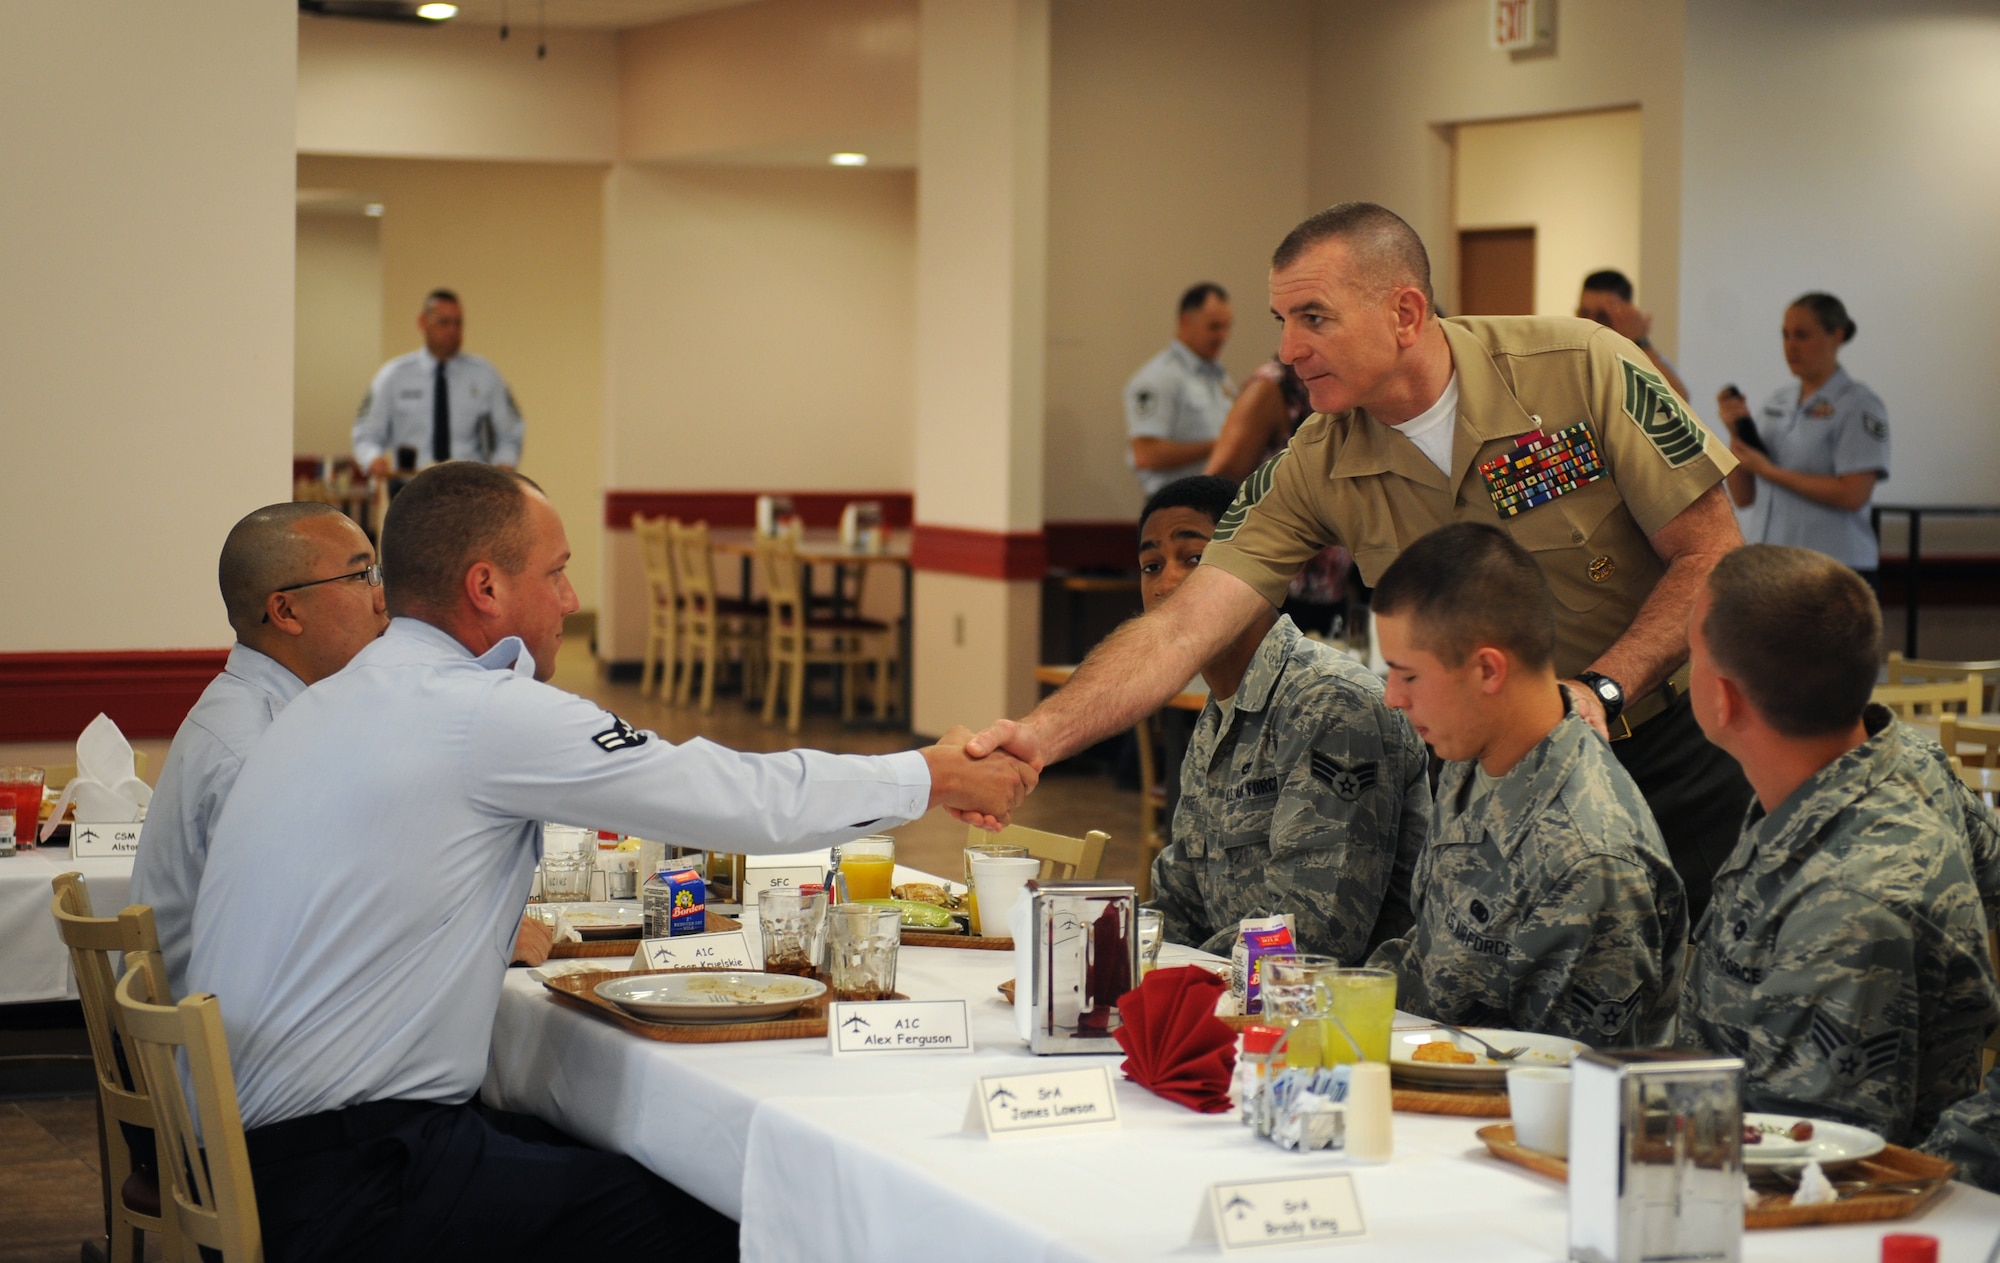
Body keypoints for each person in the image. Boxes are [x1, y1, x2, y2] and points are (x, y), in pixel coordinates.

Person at [185, 463, 1035, 1263]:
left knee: (599, 1146)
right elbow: (733, 795)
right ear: (485, 586)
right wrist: (930, 773)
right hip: (355, 1179)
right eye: (555, 572)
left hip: (256, 1156)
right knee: (742, 1215)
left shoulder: (322, 702)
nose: (573, 598)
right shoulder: (478, 712)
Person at [969, 202, 1752, 925]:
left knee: (1691, 1022)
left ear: (1405, 312)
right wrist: (1040, 734)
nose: (1285, 350)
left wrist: (1601, 691)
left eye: (1314, 318)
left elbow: (1711, 554)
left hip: (1663, 747)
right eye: (1282, 319)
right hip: (1482, 778)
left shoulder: (1580, 368)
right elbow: (1182, 628)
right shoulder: (1318, 458)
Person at [1676, 545, 1997, 1145]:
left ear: (1724, 699)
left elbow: (1811, 1156)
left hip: (1829, 1203)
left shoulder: (1847, 902)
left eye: (1690, 654)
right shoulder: (1893, 763)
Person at [1364, 524, 1687, 1046]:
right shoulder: (1476, 751)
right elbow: (1430, 962)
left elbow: (1565, 1083)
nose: (1392, 699)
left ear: (1488, 670)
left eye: (1408, 675)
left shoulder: (1589, 857)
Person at [1141, 476, 1429, 963]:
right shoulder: (1217, 717)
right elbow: (1180, 905)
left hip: (1349, 1022)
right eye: (1151, 566)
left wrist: (1181, 978)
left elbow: (1314, 936)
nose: (1167, 584)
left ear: (1255, 565)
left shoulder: (1330, 702)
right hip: (1240, 1002)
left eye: (1193, 559)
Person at [130, 503, 390, 999]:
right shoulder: (259, 753)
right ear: (286, 611)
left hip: (221, 1032)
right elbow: (310, 948)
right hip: (226, 1057)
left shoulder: (261, 709)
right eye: (361, 575)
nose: (381, 599)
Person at [1715, 293, 1889, 585]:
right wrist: (1736, 433)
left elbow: (1853, 495)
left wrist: (1770, 471)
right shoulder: (1778, 402)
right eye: (1785, 335)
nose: (1791, 346)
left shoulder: (1858, 405)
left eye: (1802, 335)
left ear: (1836, 336)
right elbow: (1744, 497)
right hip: (1769, 564)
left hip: (1830, 569)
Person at [1206, 357, 1351, 636]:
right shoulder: (1271, 389)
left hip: (1332, 585)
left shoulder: (1349, 382)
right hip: (1278, 589)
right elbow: (1214, 489)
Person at [353, 288, 525, 476]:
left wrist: (504, 466)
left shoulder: (485, 375)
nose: (452, 330)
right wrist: (373, 459)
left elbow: (510, 433)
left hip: (468, 489)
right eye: (444, 322)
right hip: (409, 487)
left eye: (458, 323)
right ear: (423, 322)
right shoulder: (393, 376)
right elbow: (366, 434)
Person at [1125, 282, 1235, 495]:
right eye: (1214, 327)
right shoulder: (1158, 377)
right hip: (1175, 506)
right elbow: (1146, 455)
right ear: (1186, 321)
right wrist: (1220, 446)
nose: (1223, 336)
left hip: (1217, 502)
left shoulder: (1220, 377)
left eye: (1227, 326)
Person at [1576, 269, 1691, 400]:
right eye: (1583, 313)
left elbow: (1679, 401)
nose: (1591, 323)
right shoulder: (1567, 355)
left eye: (1602, 316)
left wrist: (1639, 341)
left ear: (1625, 315)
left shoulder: (1641, 359)